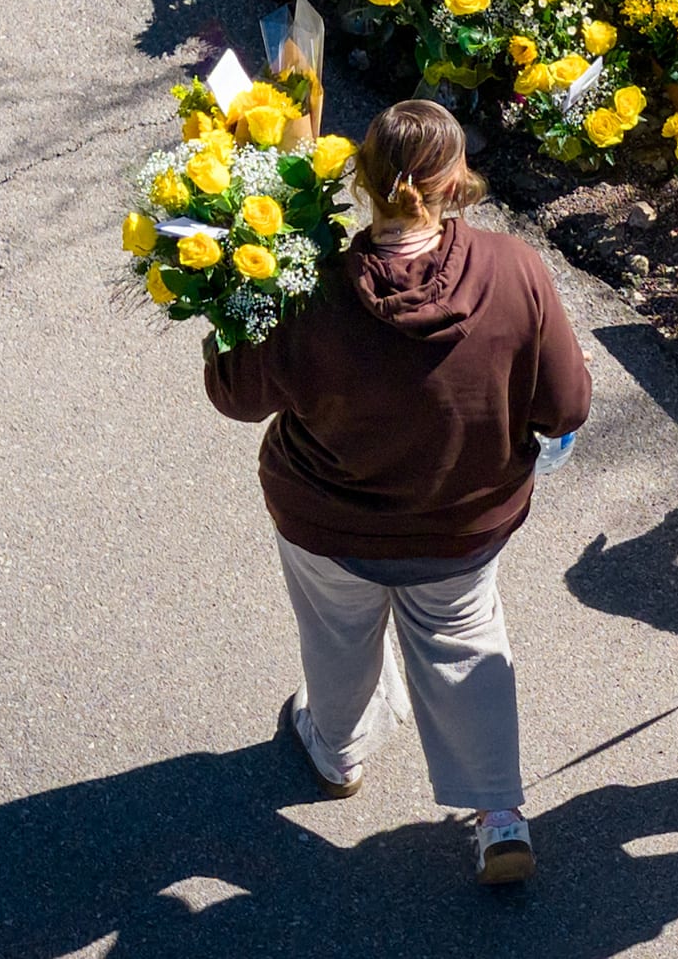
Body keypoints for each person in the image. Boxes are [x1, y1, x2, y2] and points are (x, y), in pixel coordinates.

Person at [204, 99, 593, 884]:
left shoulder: (307, 288)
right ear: (456, 183)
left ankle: (338, 751)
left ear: (361, 179)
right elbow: (569, 406)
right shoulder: (516, 270)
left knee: (339, 636)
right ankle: (498, 817)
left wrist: (224, 299)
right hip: (463, 527)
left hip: (328, 523)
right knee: (467, 644)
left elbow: (235, 393)